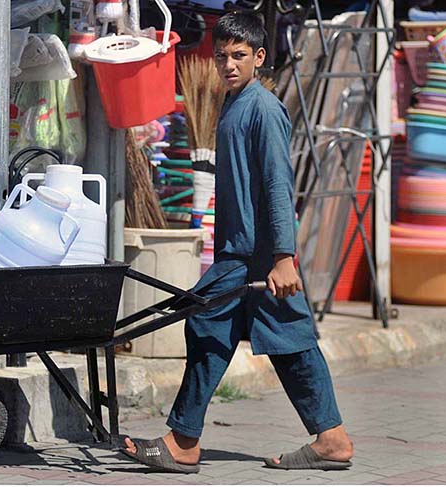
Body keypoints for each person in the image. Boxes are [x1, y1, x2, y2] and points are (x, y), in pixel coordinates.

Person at [122, 11, 354, 474]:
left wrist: (284, 258)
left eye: (239, 56)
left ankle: (188, 440)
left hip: (260, 255)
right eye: (221, 56)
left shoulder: (263, 109)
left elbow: (276, 184)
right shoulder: (234, 102)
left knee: (269, 338)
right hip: (241, 252)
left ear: (260, 58)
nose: (228, 64)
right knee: (249, 334)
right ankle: (326, 438)